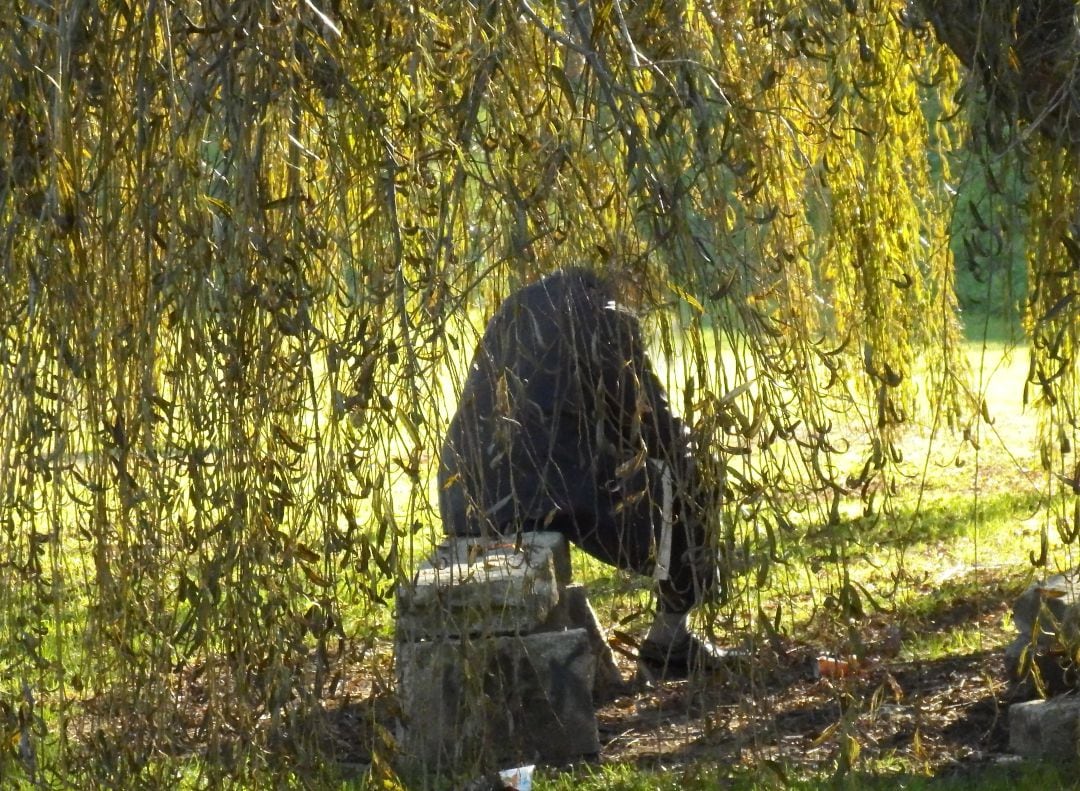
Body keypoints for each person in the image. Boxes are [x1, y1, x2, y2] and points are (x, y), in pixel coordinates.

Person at [438, 267, 727, 679]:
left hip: (468, 491)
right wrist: (694, 459)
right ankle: (670, 640)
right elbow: (649, 419)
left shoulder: (520, 307)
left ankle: (670, 642)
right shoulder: (603, 313)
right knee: (693, 476)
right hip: (536, 488)